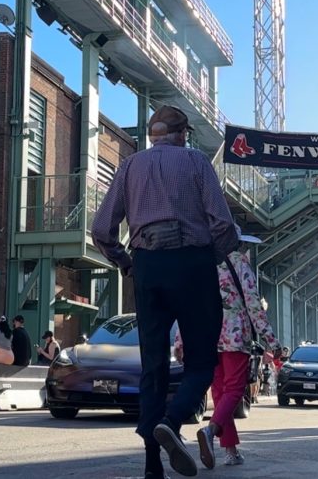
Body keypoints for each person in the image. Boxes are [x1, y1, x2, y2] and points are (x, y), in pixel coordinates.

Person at [92, 105, 238, 478]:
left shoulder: (130, 165)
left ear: (151, 133)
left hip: (148, 267)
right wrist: (211, 257)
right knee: (203, 361)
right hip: (193, 265)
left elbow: (102, 230)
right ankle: (172, 422)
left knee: (153, 366)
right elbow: (223, 224)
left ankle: (152, 465)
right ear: (183, 133)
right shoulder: (197, 162)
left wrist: (126, 263)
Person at [191, 226, 280, 469]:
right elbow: (253, 306)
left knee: (220, 393)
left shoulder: (202, 265)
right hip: (235, 335)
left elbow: (190, 305)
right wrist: (272, 342)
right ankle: (210, 432)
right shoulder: (240, 263)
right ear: (237, 243)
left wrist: (180, 341)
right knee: (234, 389)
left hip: (208, 336)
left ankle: (230, 451)